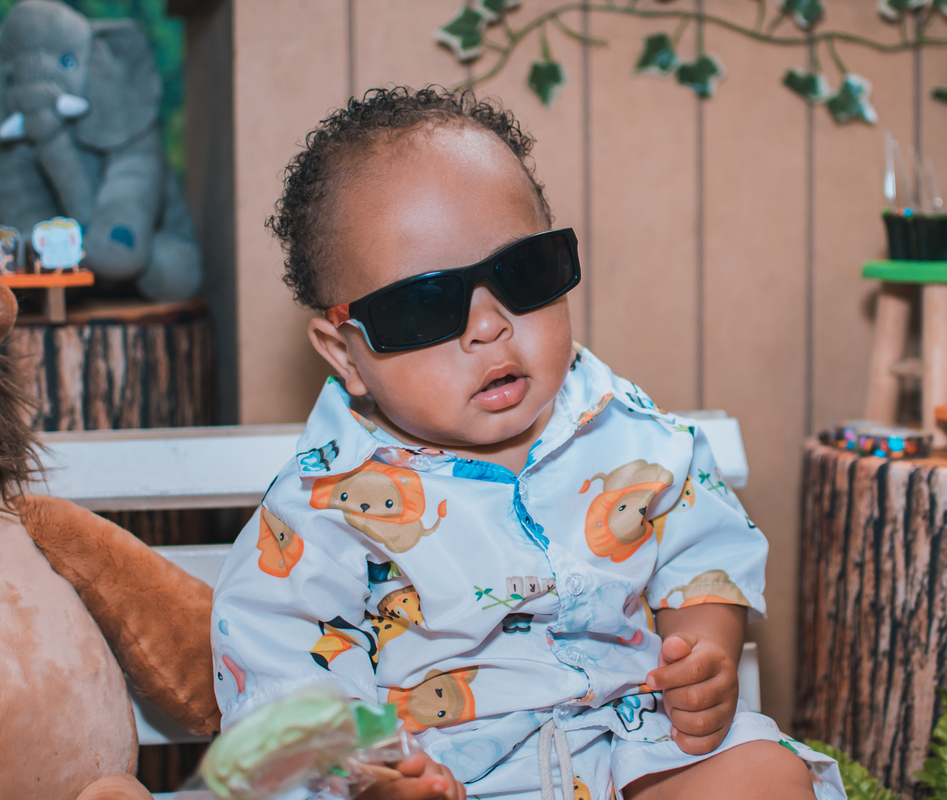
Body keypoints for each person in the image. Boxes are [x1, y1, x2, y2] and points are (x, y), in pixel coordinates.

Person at [211, 86, 845, 800]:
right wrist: (372, 777)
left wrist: (703, 651)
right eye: (423, 304)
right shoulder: (324, 507)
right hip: (455, 777)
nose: (488, 326)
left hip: (633, 757)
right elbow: (284, 678)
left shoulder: (625, 429)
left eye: (522, 274)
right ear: (344, 353)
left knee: (765, 773)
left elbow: (703, 551)